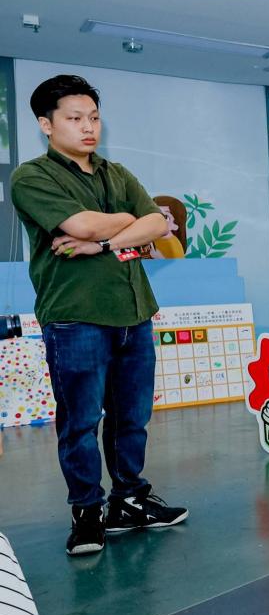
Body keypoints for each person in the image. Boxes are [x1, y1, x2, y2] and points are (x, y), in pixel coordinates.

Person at [10, 74, 189, 556]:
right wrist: (130, 221)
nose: (88, 127)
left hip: (134, 312)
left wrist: (104, 243)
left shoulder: (117, 173)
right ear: (46, 124)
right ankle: (87, 512)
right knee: (81, 422)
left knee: (132, 418)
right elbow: (86, 223)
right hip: (76, 316)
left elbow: (160, 225)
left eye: (93, 117)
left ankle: (128, 500)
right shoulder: (32, 177)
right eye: (75, 118)